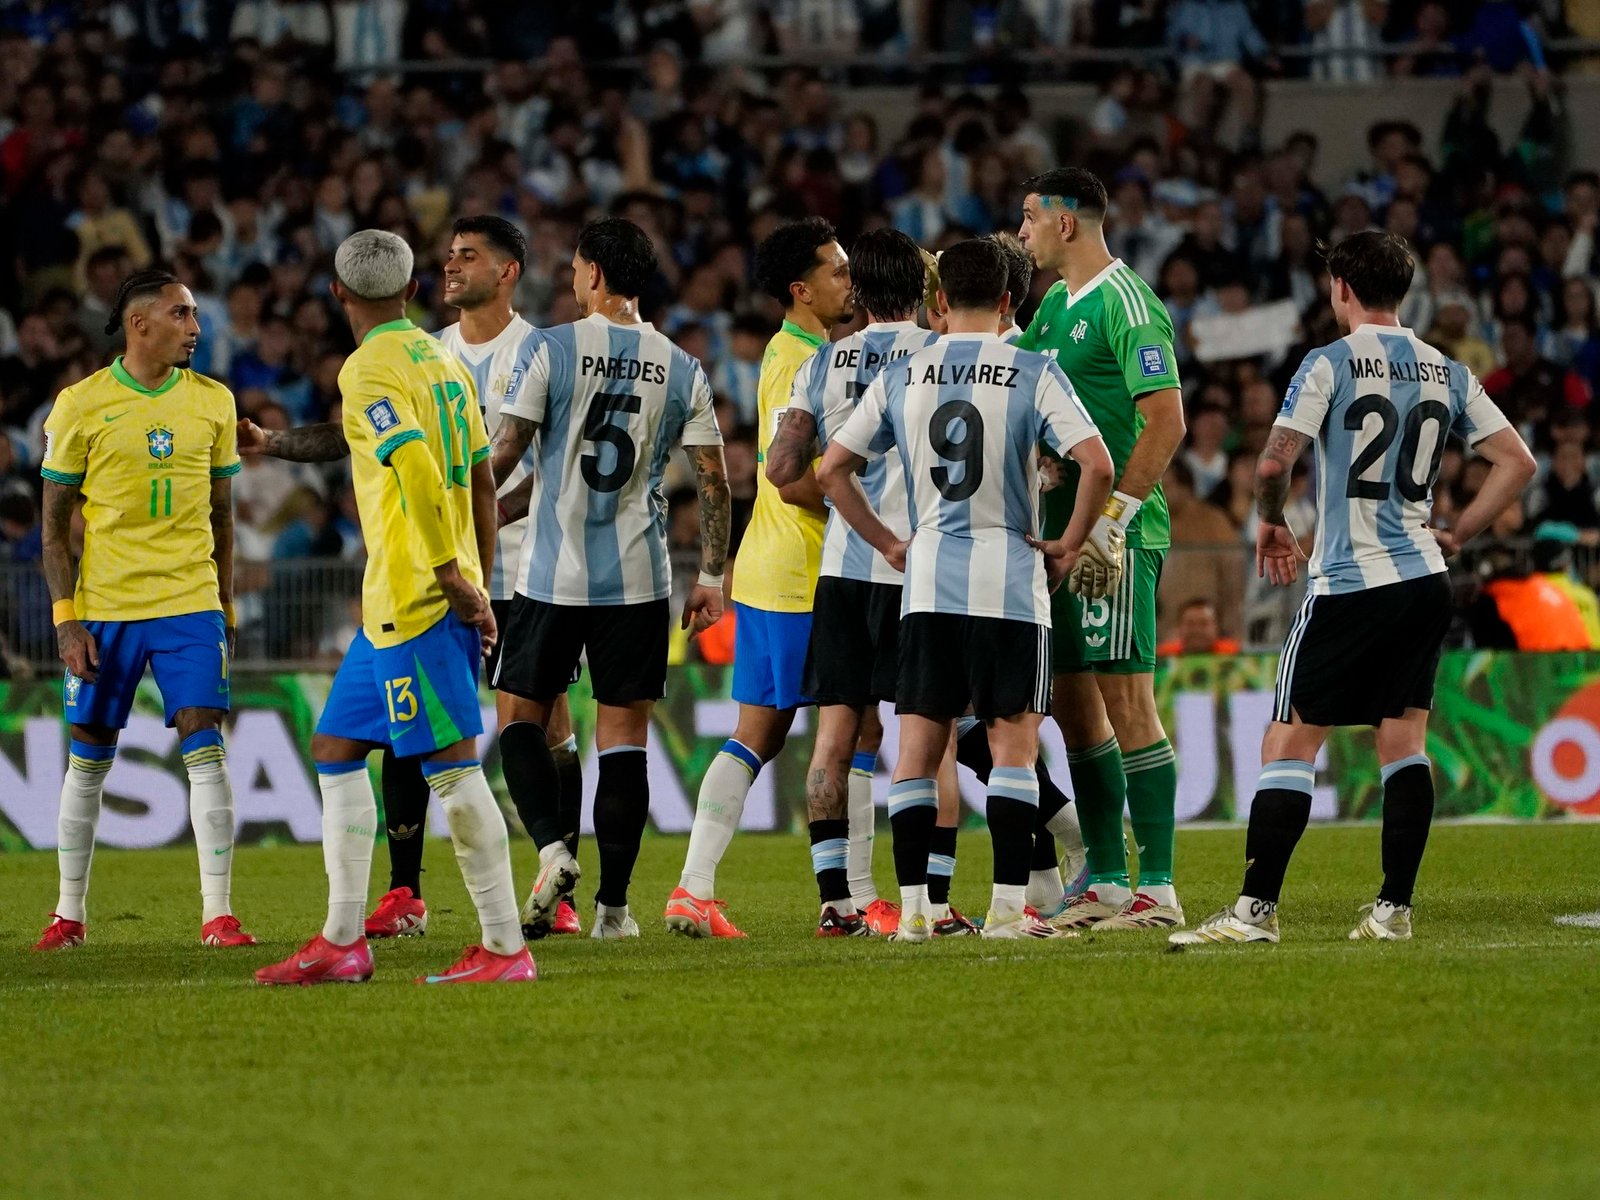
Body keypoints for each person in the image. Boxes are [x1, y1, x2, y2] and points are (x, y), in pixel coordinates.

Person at [1172, 231, 1535, 949]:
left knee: (1288, 740)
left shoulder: (1328, 362)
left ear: (1340, 286)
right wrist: (1458, 530)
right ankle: (1393, 910)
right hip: (1424, 582)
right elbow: (1515, 462)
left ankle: (1254, 914)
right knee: (1404, 743)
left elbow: (1274, 466)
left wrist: (1272, 526)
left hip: (1351, 580)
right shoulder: (1445, 369)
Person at [238, 214, 591, 939]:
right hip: (404, 601)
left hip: (418, 592)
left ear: (337, 290)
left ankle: (501, 941)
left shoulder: (367, 366)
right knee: (337, 749)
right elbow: (482, 482)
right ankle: (341, 941)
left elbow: (420, 468)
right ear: (415, 286)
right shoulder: (446, 361)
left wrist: (456, 580)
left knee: (455, 768)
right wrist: (478, 577)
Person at [816, 237, 1117, 941]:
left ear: (940, 304)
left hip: (925, 587)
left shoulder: (905, 374)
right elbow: (1096, 465)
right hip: (1009, 581)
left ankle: (916, 911)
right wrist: (1069, 544)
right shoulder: (1034, 371)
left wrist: (887, 542)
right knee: (1013, 749)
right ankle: (1012, 910)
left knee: (918, 751)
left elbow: (833, 469)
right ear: (1011, 301)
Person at [489, 217, 729, 941]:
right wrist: (712, 574)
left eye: (574, 270)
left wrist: (463, 526)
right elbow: (714, 482)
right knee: (623, 742)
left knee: (518, 722)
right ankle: (614, 911)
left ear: (592, 274)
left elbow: (504, 456)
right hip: (638, 578)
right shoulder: (682, 366)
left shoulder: (551, 348)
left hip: (550, 576)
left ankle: (555, 850)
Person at [34, 269, 254, 952]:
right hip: (104, 609)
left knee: (204, 741)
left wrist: (227, 608)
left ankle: (218, 915)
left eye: (194, 314)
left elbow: (223, 514)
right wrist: (66, 619)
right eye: (181, 314)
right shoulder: (80, 405)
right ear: (140, 325)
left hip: (189, 602)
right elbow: (52, 528)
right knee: (90, 759)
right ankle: (69, 916)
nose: (196, 326)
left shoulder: (214, 403)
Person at [666, 217, 853, 938]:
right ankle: (852, 896)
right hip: (800, 572)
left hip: (781, 571)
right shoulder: (797, 359)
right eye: (837, 270)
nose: (850, 280)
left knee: (763, 736)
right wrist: (871, 520)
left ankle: (694, 889)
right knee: (852, 728)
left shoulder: (807, 351)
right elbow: (791, 478)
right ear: (801, 289)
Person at [1016, 167, 1190, 932]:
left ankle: (1158, 886)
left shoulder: (1127, 303)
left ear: (1066, 223)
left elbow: (1166, 422)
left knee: (1128, 701)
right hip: (1056, 539)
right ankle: (1108, 879)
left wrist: (1113, 522)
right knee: (1072, 707)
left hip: (1112, 541)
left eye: (1027, 217)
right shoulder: (1053, 304)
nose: (1020, 232)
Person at [762, 227, 946, 937]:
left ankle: (835, 901)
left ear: (860, 291)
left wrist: (838, 486)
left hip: (843, 569)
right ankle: (924, 900)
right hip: (920, 569)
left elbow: (781, 470)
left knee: (835, 738)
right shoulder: (940, 354)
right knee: (926, 741)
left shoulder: (824, 362)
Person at [1156, 597, 1242, 657]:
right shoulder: (1163, 658)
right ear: (1179, 627)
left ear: (1217, 627)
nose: (1197, 630)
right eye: (1190, 624)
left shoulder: (1235, 656)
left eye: (1203, 623)